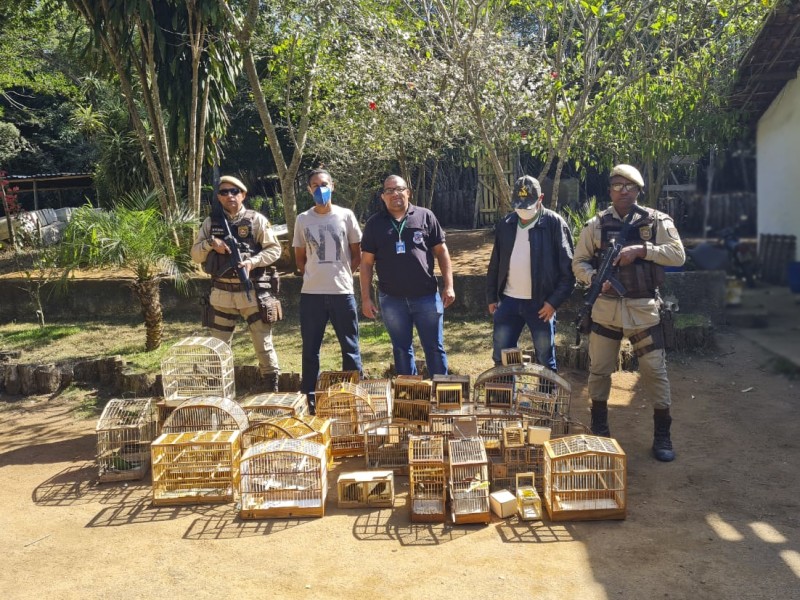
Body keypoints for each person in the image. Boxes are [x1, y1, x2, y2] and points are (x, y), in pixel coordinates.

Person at [573, 164, 685, 461]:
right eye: (617, 186)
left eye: (629, 186)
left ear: (638, 190)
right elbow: (579, 263)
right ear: (609, 190)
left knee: (653, 372)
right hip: (605, 312)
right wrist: (595, 279)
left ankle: (663, 434)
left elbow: (678, 254)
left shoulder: (657, 221)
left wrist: (642, 250)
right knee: (599, 371)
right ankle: (599, 430)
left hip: (643, 312)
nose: (623, 191)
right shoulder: (595, 225)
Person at [191, 175, 282, 392]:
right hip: (222, 294)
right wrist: (211, 244)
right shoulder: (210, 223)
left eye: (234, 191)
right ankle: (218, 391)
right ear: (219, 197)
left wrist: (253, 261)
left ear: (243, 195)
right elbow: (195, 255)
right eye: (224, 192)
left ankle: (271, 388)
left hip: (252, 292)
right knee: (218, 347)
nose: (229, 196)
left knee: (263, 344)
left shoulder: (256, 220)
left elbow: (275, 249)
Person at [360, 174, 455, 376]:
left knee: (434, 348)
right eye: (389, 190)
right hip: (392, 300)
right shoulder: (374, 224)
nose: (395, 194)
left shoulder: (425, 216)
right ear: (383, 197)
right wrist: (366, 298)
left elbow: (442, 252)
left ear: (408, 192)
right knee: (401, 350)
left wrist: (449, 285)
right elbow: (366, 264)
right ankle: (410, 399)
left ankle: (442, 396)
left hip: (426, 297)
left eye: (399, 189)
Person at [487, 175, 575, 371]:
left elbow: (568, 272)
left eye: (527, 206)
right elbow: (495, 264)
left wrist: (553, 303)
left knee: (545, 358)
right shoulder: (506, 224)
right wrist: (492, 296)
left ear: (540, 199)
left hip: (541, 304)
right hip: (508, 301)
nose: (522, 211)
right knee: (501, 356)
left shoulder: (554, 224)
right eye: (518, 206)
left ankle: (546, 400)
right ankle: (505, 399)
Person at [293, 168, 363, 414]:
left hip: (342, 293)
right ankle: (308, 398)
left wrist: (342, 273)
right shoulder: (303, 219)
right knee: (310, 349)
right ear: (309, 189)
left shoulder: (346, 216)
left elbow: (357, 254)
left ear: (332, 186)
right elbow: (299, 257)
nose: (319, 188)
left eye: (324, 184)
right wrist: (312, 275)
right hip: (311, 294)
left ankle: (352, 395)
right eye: (314, 185)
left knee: (350, 347)